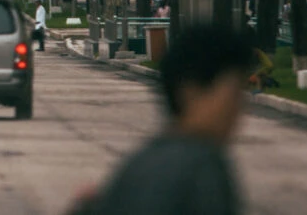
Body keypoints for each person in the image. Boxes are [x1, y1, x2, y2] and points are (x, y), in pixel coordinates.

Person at [75, 25, 254, 215]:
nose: (238, 109)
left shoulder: (141, 162)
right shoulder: (202, 169)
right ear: (191, 90)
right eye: (234, 95)